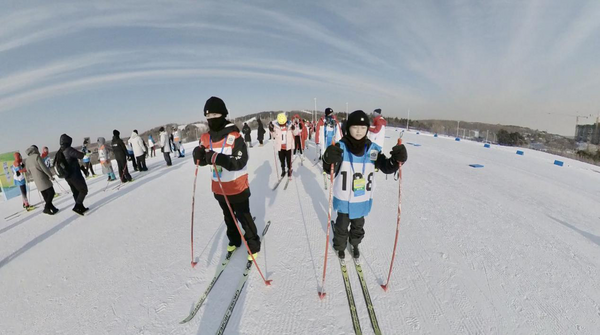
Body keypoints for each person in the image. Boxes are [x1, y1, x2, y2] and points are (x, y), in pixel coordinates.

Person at [322, 110, 407, 259]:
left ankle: (354, 243)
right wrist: (328, 159)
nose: (359, 131)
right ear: (348, 128)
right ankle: (340, 246)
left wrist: (397, 160)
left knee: (358, 226)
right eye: (355, 127)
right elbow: (330, 169)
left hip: (362, 198)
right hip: (344, 198)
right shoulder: (341, 147)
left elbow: (386, 166)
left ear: (367, 129)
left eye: (363, 127)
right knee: (342, 226)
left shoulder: (372, 149)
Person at [192, 96, 261, 260]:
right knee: (228, 217)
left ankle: (253, 243)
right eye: (208, 117)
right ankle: (235, 239)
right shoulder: (206, 138)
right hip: (219, 187)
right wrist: (198, 156)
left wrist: (219, 158)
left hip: (237, 186)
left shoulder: (235, 136)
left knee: (244, 216)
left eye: (215, 116)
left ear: (223, 115)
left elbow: (241, 161)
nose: (211, 120)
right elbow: (203, 160)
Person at [59, 134, 89, 215]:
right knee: (83, 190)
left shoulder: (60, 150)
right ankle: (77, 206)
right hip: (74, 174)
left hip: (67, 176)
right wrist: (83, 151)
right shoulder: (68, 149)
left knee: (76, 191)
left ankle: (80, 207)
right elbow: (80, 155)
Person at [25, 145, 58, 215]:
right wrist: (50, 175)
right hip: (43, 178)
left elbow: (28, 171)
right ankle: (46, 208)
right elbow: (44, 168)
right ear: (35, 150)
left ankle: (53, 209)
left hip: (36, 180)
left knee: (45, 195)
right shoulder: (37, 157)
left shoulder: (27, 160)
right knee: (51, 193)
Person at [273, 113, 294, 179]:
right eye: (281, 124)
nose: (282, 125)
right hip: (280, 148)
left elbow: (296, 133)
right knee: (282, 160)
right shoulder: (276, 127)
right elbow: (274, 136)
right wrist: (271, 131)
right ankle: (283, 170)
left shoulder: (290, 126)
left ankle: (289, 170)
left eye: (283, 124)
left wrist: (294, 129)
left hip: (288, 147)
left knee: (288, 160)